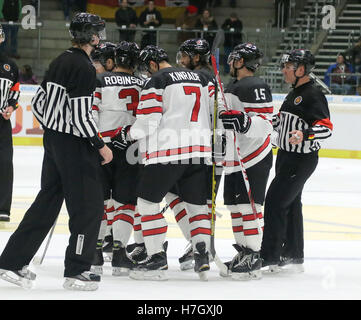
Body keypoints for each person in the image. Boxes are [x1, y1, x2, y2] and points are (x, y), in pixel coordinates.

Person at [0, 12, 113, 291]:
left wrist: (53, 131)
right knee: (88, 206)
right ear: (90, 35)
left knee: (47, 202)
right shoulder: (84, 67)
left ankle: (11, 261)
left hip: (53, 141)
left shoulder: (61, 59)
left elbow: (39, 103)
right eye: (98, 31)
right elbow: (79, 114)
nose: (101, 36)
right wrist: (100, 144)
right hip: (74, 144)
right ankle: (77, 271)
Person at [111, 45, 214, 281]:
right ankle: (201, 253)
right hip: (199, 151)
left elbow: (148, 122)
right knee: (197, 206)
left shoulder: (157, 81)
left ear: (153, 64)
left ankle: (156, 258)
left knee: (147, 203)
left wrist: (126, 134)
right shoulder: (200, 77)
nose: (147, 73)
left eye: (147, 68)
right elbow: (212, 112)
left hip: (166, 152)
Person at [260, 49, 333, 273]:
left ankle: (269, 256)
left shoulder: (312, 94)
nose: (283, 70)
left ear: (301, 70)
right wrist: (261, 123)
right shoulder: (295, 92)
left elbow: (326, 128)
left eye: (288, 66)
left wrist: (306, 134)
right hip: (285, 156)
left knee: (274, 201)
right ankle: (292, 254)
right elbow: (282, 120)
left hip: (300, 159)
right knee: (290, 204)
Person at [218, 43, 274, 280]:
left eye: (233, 60)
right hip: (234, 155)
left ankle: (254, 253)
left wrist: (243, 121)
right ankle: (243, 251)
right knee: (235, 207)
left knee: (249, 208)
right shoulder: (234, 85)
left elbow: (264, 122)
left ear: (241, 61)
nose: (230, 64)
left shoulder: (256, 85)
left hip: (253, 156)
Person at [91, 41, 144, 277]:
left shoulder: (100, 81)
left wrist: (94, 143)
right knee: (126, 202)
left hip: (103, 147)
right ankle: (120, 253)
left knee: (100, 200)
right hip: (132, 148)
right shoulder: (144, 83)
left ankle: (95, 251)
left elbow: (89, 115)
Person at [175, 38, 224, 271]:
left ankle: (201, 246)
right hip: (207, 147)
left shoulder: (201, 78)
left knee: (199, 201)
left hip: (206, 149)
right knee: (198, 200)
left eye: (185, 56)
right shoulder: (209, 77)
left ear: (196, 58)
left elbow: (218, 112)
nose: (182, 61)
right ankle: (199, 244)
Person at [0, 24, 19, 222]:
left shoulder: (10, 65)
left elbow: (15, 90)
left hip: (1, 123)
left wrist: (11, 107)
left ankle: (3, 207)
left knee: (5, 163)